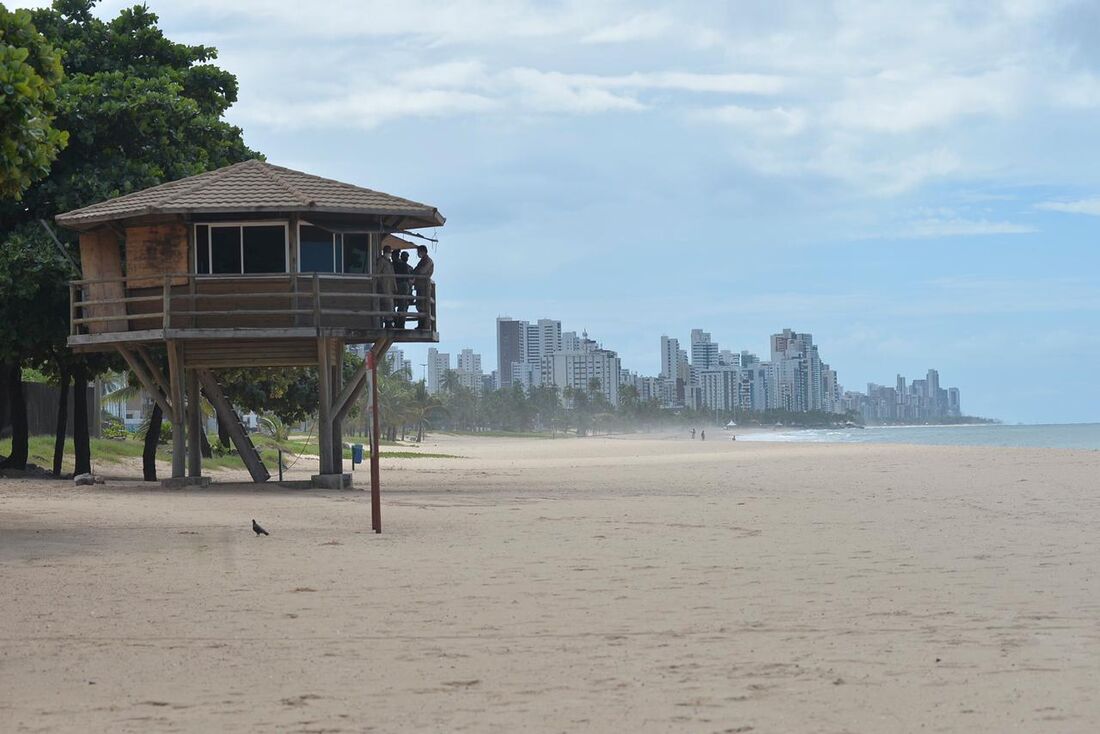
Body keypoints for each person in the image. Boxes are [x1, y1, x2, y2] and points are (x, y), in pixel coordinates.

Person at [411, 244, 434, 329]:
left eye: (419, 252)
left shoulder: (428, 261)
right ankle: (421, 325)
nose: (418, 254)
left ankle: (425, 325)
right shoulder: (422, 261)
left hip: (425, 286)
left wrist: (415, 274)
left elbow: (421, 271)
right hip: (420, 286)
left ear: (423, 251)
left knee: (424, 306)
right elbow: (416, 270)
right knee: (419, 306)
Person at [374, 244, 395, 328]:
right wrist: (379, 283)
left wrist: (395, 287)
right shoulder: (381, 261)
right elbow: (377, 273)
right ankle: (387, 323)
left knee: (390, 305)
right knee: (387, 305)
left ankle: (389, 322)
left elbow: (392, 276)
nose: (389, 253)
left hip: (389, 287)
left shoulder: (389, 262)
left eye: (390, 252)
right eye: (388, 252)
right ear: (385, 252)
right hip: (384, 286)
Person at [391, 248, 411, 328]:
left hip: (397, 286)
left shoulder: (393, 264)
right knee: (402, 305)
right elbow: (408, 277)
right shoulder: (403, 265)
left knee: (396, 305)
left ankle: (397, 322)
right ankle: (400, 323)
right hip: (403, 286)